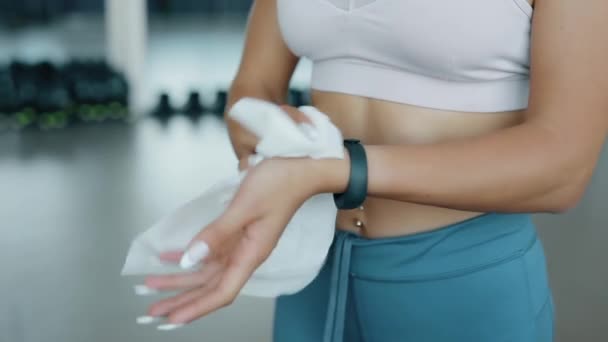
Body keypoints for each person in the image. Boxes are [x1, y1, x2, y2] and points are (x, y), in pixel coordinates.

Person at [142, 0, 608, 340]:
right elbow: (253, 87)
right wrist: (275, 141)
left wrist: (340, 169)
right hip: (316, 270)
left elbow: (563, 165)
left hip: (461, 278)